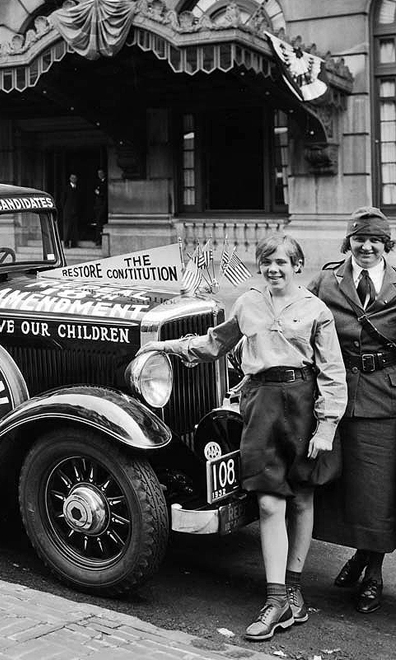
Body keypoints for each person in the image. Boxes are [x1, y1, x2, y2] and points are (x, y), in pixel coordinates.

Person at [138, 233, 346, 641]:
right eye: (267, 263)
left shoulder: (316, 310)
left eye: (282, 263)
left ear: (297, 266)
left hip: (304, 404)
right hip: (262, 405)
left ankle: (293, 588)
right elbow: (215, 343)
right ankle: (276, 600)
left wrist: (326, 428)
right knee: (269, 503)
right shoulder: (248, 303)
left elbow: (332, 374)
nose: (274, 269)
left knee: (302, 497)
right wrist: (168, 346)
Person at [309, 206, 396, 614]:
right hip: (333, 395)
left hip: (383, 398)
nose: (366, 246)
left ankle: (373, 571)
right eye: (359, 239)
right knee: (340, 484)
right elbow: (296, 314)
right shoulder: (326, 281)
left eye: (375, 240)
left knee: (375, 490)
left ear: (386, 245)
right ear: (349, 241)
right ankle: (360, 554)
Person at [58, 173, 79, 248]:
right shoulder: (66, 188)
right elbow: (62, 200)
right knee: (67, 228)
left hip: (75, 211)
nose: (74, 179)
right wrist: (65, 209)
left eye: (75, 178)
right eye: (72, 178)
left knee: (74, 228)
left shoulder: (77, 188)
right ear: (70, 179)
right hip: (67, 211)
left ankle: (74, 244)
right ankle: (66, 244)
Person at [92, 168, 108, 244]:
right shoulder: (97, 182)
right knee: (98, 223)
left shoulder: (106, 182)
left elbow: (105, 194)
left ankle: (100, 240)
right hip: (98, 206)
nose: (100, 175)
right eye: (98, 174)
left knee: (101, 222)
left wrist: (99, 193)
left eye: (101, 173)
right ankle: (97, 239)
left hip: (104, 206)